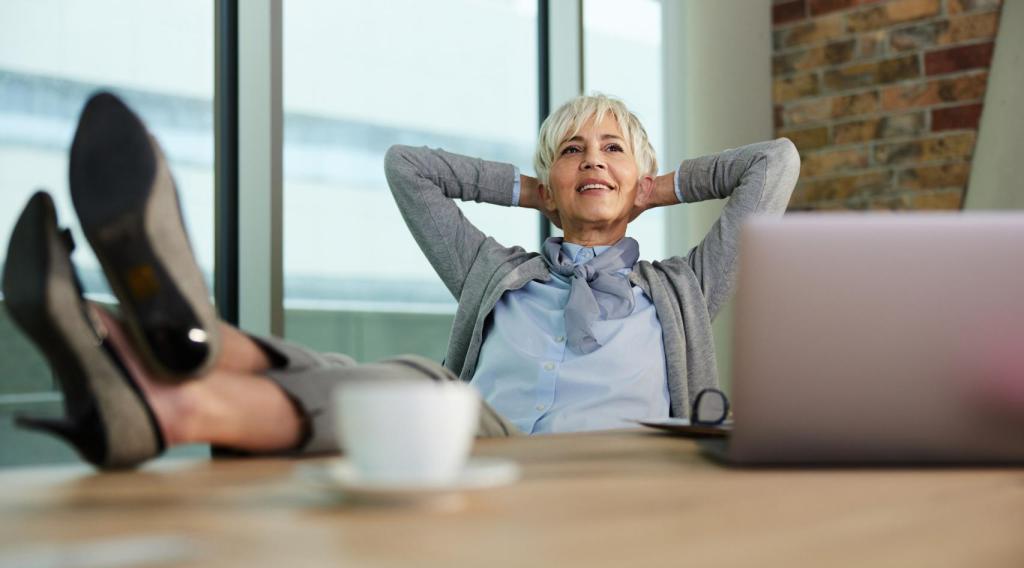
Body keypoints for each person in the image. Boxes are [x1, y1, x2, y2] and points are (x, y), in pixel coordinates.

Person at [3, 92, 798, 470]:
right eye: (571, 151)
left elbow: (776, 164)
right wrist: (531, 188)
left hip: (618, 481)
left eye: (614, 150)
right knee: (410, 390)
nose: (592, 158)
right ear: (547, 182)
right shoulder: (497, 272)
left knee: (412, 388)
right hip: (478, 454)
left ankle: (141, 352)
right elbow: (407, 167)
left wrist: (659, 186)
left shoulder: (685, 289)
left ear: (643, 179)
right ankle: (171, 383)